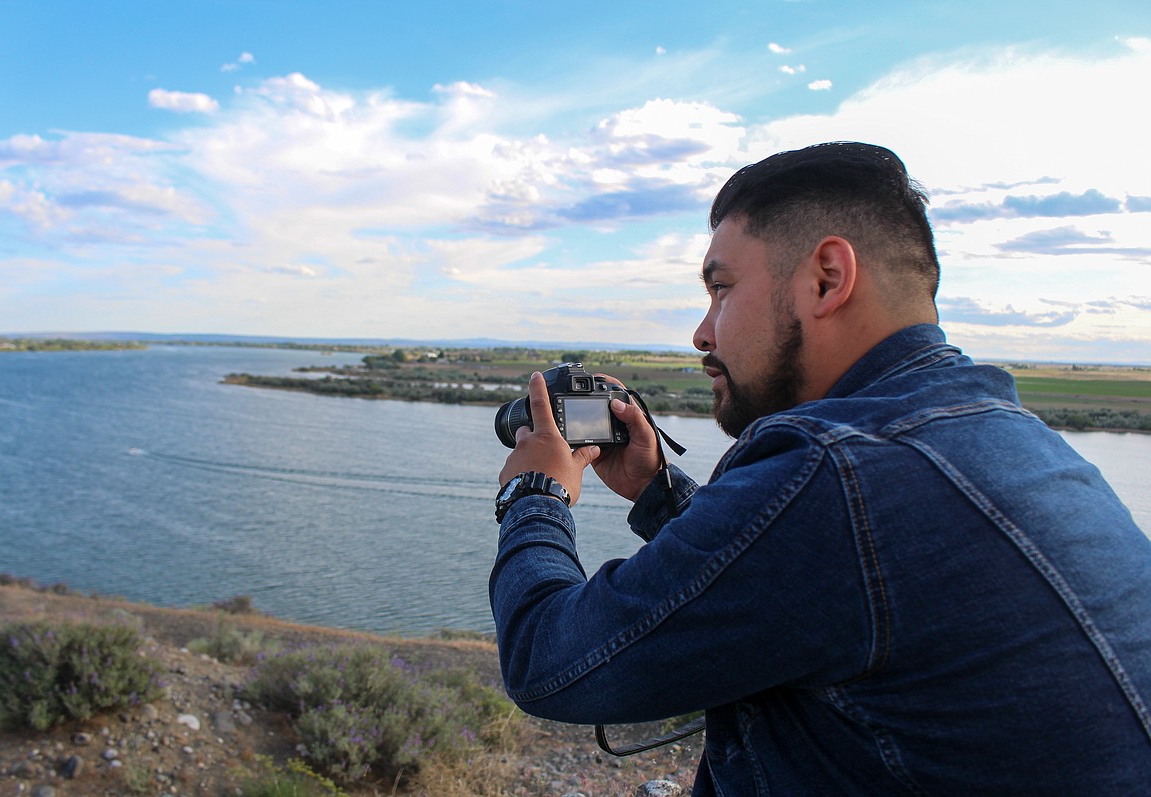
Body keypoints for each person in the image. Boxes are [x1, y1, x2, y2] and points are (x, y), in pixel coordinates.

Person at [490, 142, 1151, 795]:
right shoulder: (999, 428)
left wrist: (535, 487)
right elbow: (807, 580)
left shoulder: (834, 473)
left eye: (721, 289)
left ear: (828, 278)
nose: (702, 331)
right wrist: (658, 492)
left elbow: (549, 661)